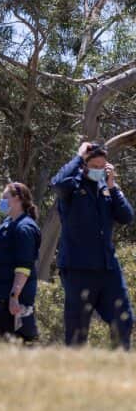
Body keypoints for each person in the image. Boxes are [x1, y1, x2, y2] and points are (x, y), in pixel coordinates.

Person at [51, 141, 134, 348]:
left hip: (107, 268)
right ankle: (75, 373)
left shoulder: (106, 189)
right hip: (78, 269)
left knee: (124, 319)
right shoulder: (72, 187)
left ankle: (120, 368)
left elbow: (126, 216)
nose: (98, 171)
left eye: (102, 167)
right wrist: (79, 156)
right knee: (78, 330)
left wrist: (113, 186)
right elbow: (57, 184)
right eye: (94, 166)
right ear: (84, 166)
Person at [0, 182, 42, 344]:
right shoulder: (7, 225)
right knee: (6, 340)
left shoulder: (24, 228)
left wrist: (15, 295)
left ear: (17, 199)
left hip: (17, 297)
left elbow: (24, 267)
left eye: (5, 197)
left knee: (23, 342)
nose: (2, 201)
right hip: (3, 294)